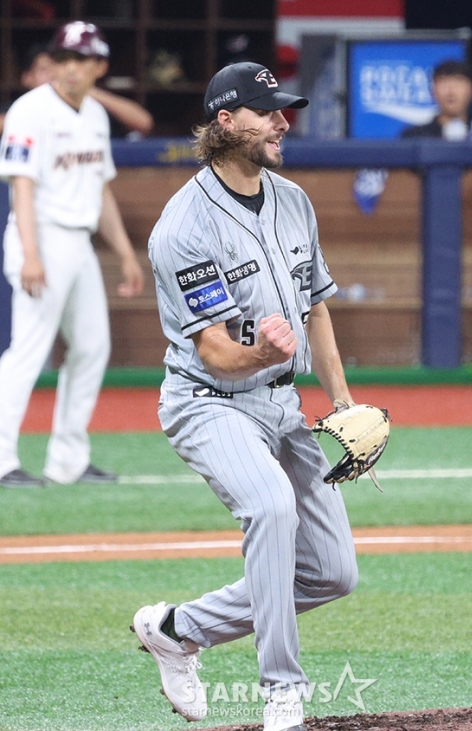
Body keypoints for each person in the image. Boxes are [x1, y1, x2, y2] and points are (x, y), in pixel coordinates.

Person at [132, 62, 359, 731]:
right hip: (208, 400)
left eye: (282, 109)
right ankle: (282, 691)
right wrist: (262, 351)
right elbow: (217, 354)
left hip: (280, 405)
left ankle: (177, 628)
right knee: (269, 505)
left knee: (332, 573)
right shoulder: (183, 227)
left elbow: (316, 308)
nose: (281, 120)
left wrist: (341, 402)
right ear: (224, 122)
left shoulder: (294, 200)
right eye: (265, 111)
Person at [0, 21, 144, 488]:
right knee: (28, 350)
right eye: (63, 58)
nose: (70, 68)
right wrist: (31, 253)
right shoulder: (30, 109)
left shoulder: (95, 115)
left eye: (81, 59)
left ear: (99, 66)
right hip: (39, 232)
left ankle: (68, 460)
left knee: (91, 347)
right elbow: (22, 186)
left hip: (78, 240)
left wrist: (123, 252)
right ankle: (2, 459)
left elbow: (101, 191)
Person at [0, 41, 154, 138]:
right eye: (45, 69)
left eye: (58, 68)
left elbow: (143, 123)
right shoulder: (20, 108)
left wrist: (86, 90)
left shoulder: (89, 109)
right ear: (27, 77)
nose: (54, 76)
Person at [401, 59, 472, 139]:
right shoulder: (415, 137)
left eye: (459, 82)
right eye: (444, 82)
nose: (451, 91)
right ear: (432, 91)